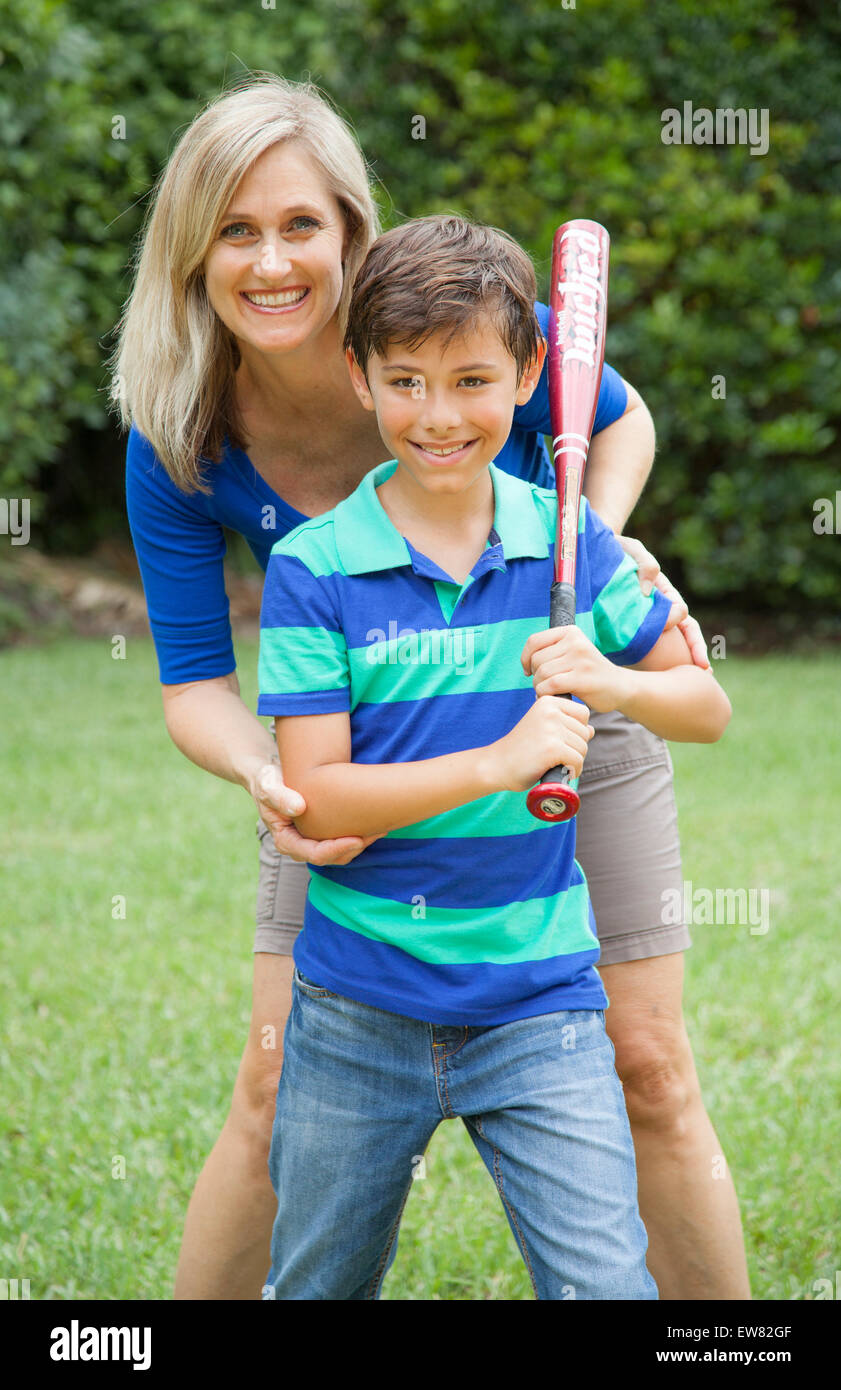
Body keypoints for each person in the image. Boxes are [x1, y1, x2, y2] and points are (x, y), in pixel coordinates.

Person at [113, 73, 750, 1300]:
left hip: (573, 712)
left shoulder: (453, 329)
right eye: (234, 233)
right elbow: (194, 682)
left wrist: (580, 550)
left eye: (299, 224)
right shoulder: (183, 429)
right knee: (268, 1077)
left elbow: (621, 426)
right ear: (193, 258)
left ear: (351, 230)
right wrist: (278, 783)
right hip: (349, 761)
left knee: (651, 1066)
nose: (270, 261)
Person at [256, 213, 732, 1300]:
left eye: (472, 379)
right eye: (406, 381)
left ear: (528, 377)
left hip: (541, 1004)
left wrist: (610, 685)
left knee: (607, 1289)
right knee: (316, 1285)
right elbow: (322, 800)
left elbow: (706, 705)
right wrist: (501, 758)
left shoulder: (571, 541)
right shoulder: (312, 570)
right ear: (357, 377)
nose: (438, 415)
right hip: (356, 1007)